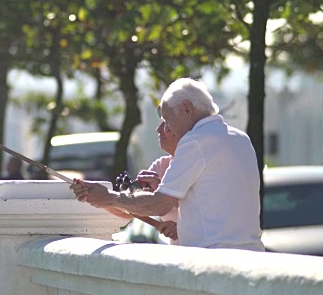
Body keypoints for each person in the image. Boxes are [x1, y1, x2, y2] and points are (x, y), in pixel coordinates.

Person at [71, 78, 264, 251]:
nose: (164, 128)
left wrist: (109, 197)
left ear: (187, 109)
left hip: (213, 258)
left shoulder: (195, 141)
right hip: (251, 255)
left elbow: (160, 205)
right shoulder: (240, 138)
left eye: (168, 120)